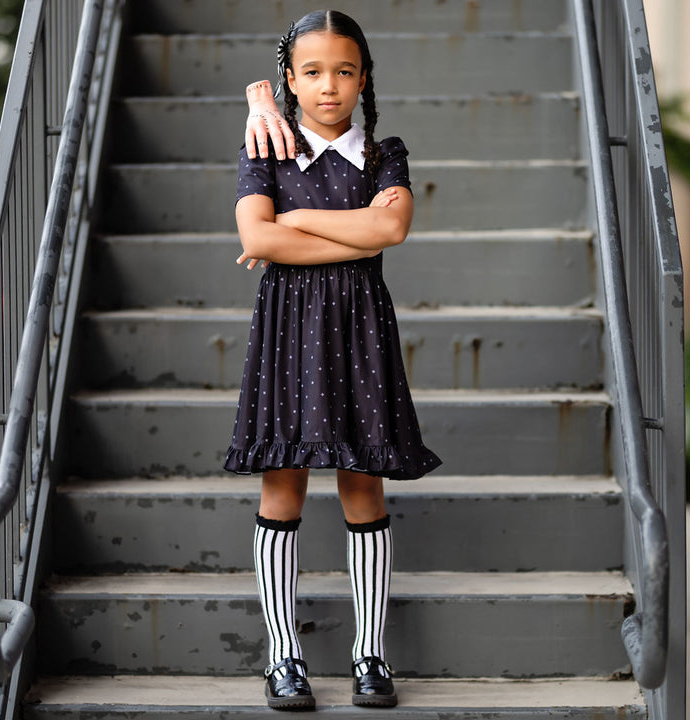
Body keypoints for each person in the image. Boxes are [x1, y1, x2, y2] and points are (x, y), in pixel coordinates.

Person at [224, 10, 442, 710]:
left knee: (363, 486)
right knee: (282, 485)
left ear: (363, 78)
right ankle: (283, 656)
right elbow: (258, 234)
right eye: (312, 72)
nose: (328, 86)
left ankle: (369, 657)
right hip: (288, 333)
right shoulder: (267, 151)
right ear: (290, 79)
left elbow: (391, 227)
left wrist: (294, 222)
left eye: (344, 71)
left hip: (359, 333)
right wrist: (339, 235)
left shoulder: (386, 156)